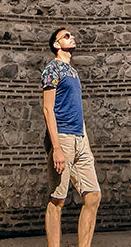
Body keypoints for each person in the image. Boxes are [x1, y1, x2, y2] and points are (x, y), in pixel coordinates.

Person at [41, 28, 101, 247]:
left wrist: (87, 145)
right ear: (57, 45)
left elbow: (77, 110)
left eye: (71, 35)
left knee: (93, 196)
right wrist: (56, 147)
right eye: (66, 36)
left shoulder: (73, 73)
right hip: (62, 138)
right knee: (57, 199)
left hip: (79, 140)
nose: (71, 37)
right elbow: (48, 109)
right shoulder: (52, 69)